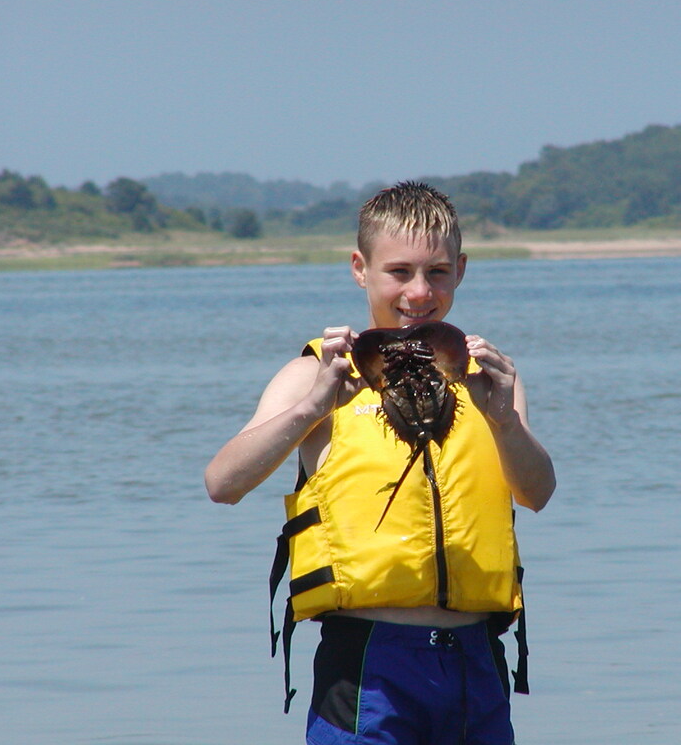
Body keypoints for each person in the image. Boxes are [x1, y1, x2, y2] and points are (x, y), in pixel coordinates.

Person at [205, 181, 556, 745]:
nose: (419, 292)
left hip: (474, 662)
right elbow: (223, 483)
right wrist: (315, 405)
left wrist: (504, 421)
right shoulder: (315, 375)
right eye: (399, 272)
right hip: (369, 663)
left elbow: (537, 493)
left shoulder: (489, 380)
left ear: (460, 270)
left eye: (437, 272)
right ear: (360, 268)